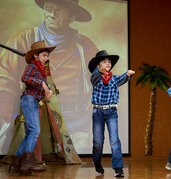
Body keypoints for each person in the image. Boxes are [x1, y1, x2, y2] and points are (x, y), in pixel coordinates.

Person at [0, 0, 98, 154]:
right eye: (49, 9)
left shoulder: (85, 46)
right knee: (30, 138)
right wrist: (9, 115)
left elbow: (99, 79)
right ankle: (23, 160)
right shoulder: (23, 38)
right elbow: (4, 78)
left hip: (75, 123)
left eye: (59, 11)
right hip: (34, 114)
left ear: (72, 17)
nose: (52, 15)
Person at [9, 41, 55, 174]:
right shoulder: (33, 66)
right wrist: (41, 83)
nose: (47, 58)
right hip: (29, 99)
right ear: (36, 56)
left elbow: (46, 87)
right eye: (44, 55)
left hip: (33, 101)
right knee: (35, 130)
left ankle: (16, 164)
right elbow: (25, 78)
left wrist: (49, 91)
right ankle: (27, 162)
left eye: (47, 55)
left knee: (30, 132)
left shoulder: (41, 69)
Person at [88, 50, 135, 177]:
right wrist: (100, 70)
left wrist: (128, 74)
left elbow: (122, 79)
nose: (107, 63)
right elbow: (94, 76)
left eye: (109, 62)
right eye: (104, 61)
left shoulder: (113, 79)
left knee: (115, 140)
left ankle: (118, 168)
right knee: (98, 141)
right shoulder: (95, 77)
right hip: (98, 111)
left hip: (112, 112)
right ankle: (97, 162)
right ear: (98, 65)